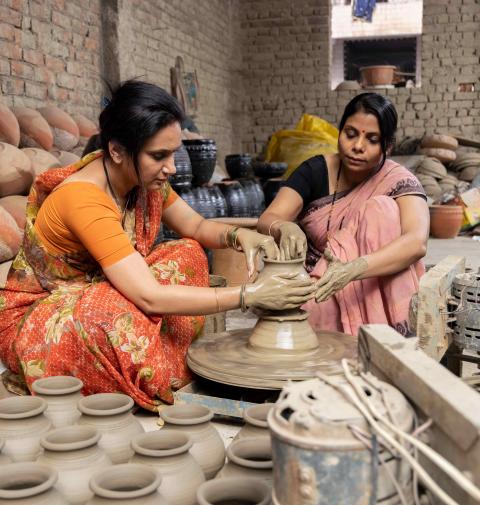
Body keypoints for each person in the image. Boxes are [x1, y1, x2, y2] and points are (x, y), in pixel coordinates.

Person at [0, 81, 315, 410]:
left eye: (174, 153)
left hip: (102, 289)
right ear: (118, 150)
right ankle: (146, 371)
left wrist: (239, 236)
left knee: (187, 253)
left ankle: (158, 355)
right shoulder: (83, 198)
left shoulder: (140, 178)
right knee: (114, 313)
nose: (172, 168)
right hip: (39, 316)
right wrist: (248, 296)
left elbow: (194, 225)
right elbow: (149, 297)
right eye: (159, 156)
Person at [258, 93, 428, 337]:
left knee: (381, 210)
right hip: (322, 283)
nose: (357, 146)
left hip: (374, 282)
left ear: (387, 147)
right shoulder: (315, 170)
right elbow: (268, 218)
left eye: (372, 139)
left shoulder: (398, 181)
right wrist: (284, 227)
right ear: (339, 132)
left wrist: (353, 268)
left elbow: (417, 242)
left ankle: (388, 338)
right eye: (350, 134)